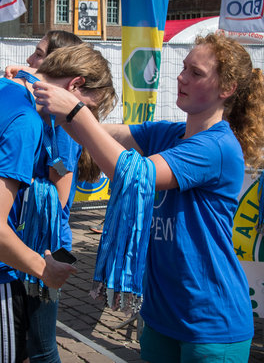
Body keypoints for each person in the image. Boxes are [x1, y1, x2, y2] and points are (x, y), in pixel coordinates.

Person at [33, 34, 264, 362]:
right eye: (183, 68)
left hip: (212, 322)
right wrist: (48, 92)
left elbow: (135, 174)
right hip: (160, 315)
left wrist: (75, 112)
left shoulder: (218, 147)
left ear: (226, 88)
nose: (181, 77)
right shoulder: (168, 134)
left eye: (195, 73)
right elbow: (103, 133)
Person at [0, 43, 115, 362]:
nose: (79, 122)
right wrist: (46, 270)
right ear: (75, 85)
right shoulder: (25, 120)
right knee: (42, 348)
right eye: (84, 109)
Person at [12, 31, 109, 363]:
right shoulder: (45, 116)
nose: (30, 62)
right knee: (24, 337)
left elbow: (59, 198)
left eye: (39, 56)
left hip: (52, 245)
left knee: (41, 343)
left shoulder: (61, 124)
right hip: (34, 242)